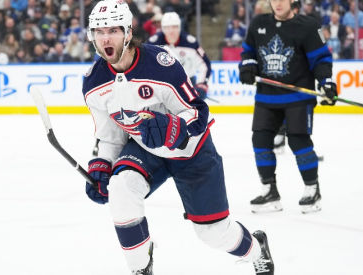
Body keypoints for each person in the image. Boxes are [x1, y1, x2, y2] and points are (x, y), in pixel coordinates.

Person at [83, 1, 274, 274]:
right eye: (99, 31)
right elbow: (111, 135)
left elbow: (197, 112)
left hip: (192, 152)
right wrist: (102, 163)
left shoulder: (160, 64)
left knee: (213, 234)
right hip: (146, 150)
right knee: (120, 189)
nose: (105, 38)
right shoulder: (93, 83)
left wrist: (174, 128)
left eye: (112, 30)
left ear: (127, 32)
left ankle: (258, 248)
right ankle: (140, 266)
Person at [239, 0, 338, 214]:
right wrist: (247, 66)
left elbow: (321, 59)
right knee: (260, 139)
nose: (278, 3)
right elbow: (248, 52)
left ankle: (312, 189)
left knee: (298, 140)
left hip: (298, 97)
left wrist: (326, 82)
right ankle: (270, 191)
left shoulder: (308, 26)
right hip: (267, 97)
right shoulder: (258, 23)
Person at [148, 12, 211, 101]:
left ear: (179, 27)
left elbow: (204, 65)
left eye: (174, 27)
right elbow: (146, 65)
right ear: (162, 28)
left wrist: (201, 84)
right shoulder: (153, 43)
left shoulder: (190, 43)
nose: (171, 31)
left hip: (188, 83)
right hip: (162, 85)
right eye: (167, 28)